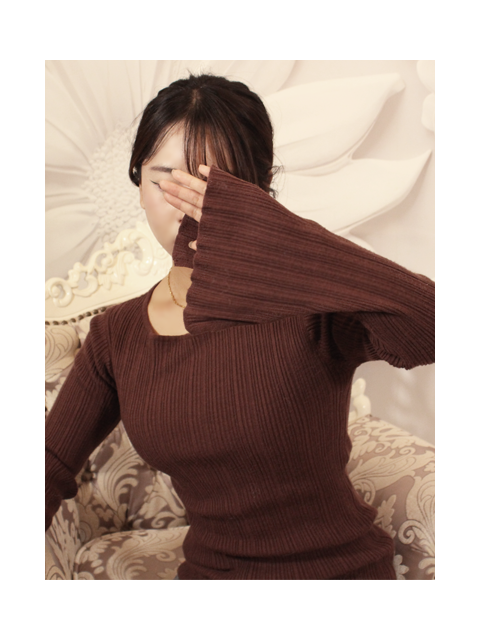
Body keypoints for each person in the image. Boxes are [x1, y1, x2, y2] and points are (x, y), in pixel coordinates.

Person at [45, 73, 435, 580]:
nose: (188, 205)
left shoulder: (309, 301)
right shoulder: (116, 336)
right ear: (138, 184)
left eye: (214, 186)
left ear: (259, 194)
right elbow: (51, 462)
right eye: (165, 178)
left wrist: (279, 237)